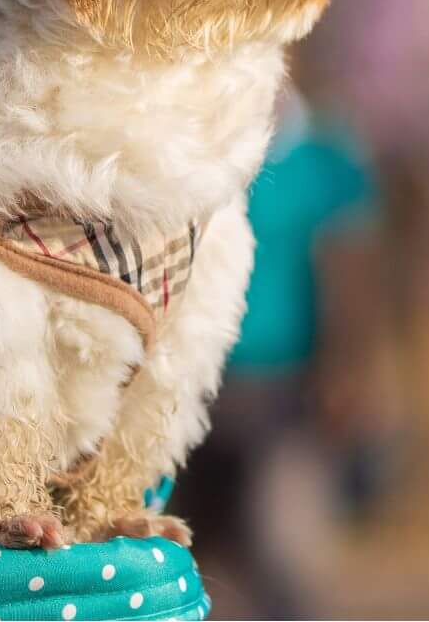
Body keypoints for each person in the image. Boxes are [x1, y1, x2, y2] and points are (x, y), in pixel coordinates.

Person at [173, 89, 389, 619]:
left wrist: (349, 372)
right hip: (186, 387)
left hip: (287, 392)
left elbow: (352, 271)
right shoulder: (189, 145)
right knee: (187, 564)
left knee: (281, 554)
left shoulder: (326, 160)